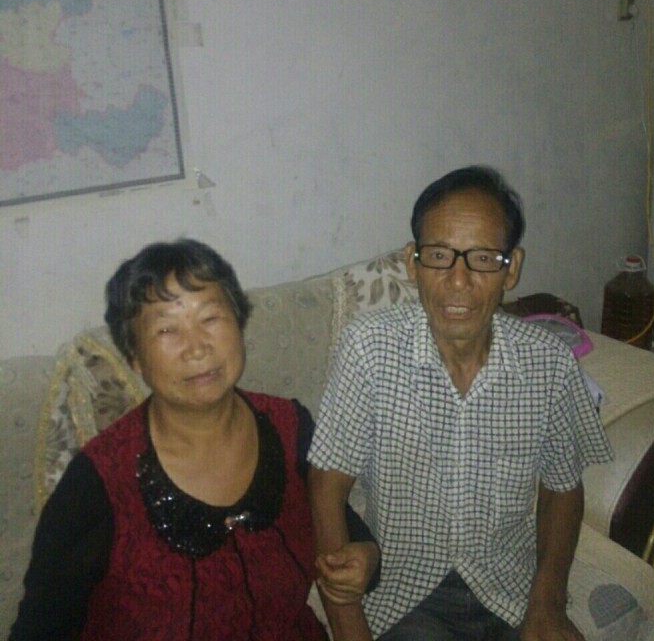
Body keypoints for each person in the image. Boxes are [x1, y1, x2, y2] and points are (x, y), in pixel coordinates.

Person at [11, 239, 379, 641]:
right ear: (134, 357)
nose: (197, 347)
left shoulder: (290, 427)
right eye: (167, 329)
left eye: (210, 318)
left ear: (239, 323)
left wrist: (366, 558)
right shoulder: (97, 482)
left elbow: (341, 529)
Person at [308, 166, 614, 641]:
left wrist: (548, 601)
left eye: (483, 259)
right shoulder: (368, 349)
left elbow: (562, 488)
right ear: (412, 262)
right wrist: (349, 628)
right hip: (405, 596)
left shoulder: (549, 364)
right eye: (439, 256)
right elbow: (326, 487)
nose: (458, 281)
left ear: (512, 267)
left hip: (511, 591)